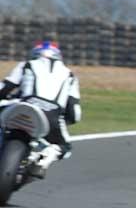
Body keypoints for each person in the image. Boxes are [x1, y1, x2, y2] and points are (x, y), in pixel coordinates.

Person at [0, 41, 81, 178]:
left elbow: (4, 87)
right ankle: (44, 158)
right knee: (64, 147)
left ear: (34, 54)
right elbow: (75, 114)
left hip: (24, 105)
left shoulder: (26, 64)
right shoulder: (70, 75)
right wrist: (64, 120)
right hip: (52, 115)